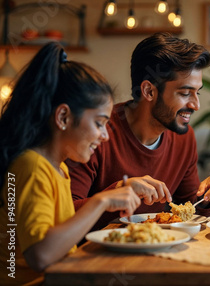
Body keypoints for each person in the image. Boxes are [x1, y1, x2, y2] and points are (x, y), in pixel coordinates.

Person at [0, 42, 141, 285]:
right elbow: (41, 256)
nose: (105, 136)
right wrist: (101, 201)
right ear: (63, 116)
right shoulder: (33, 166)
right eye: (99, 123)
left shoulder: (58, 167)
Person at [67, 33, 210, 231]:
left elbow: (189, 210)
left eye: (198, 92)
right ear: (149, 91)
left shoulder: (184, 137)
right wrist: (119, 191)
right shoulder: (97, 131)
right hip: (92, 255)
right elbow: (64, 215)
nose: (196, 105)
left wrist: (207, 196)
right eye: (185, 93)